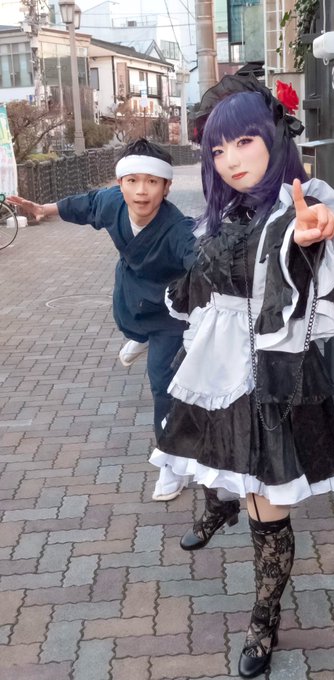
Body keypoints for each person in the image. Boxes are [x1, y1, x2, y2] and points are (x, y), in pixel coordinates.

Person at [149, 72, 334, 678]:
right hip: (215, 363)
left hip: (271, 376)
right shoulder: (225, 212)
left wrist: (317, 229)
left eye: (244, 141)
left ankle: (263, 620)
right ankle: (218, 504)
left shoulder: (296, 205)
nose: (230, 160)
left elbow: (315, 229)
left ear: (275, 138)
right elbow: (201, 284)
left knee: (268, 506)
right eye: (218, 149)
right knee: (209, 451)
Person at [9, 139, 195, 502]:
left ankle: (172, 461)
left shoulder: (178, 229)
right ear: (120, 183)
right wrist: (43, 209)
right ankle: (139, 336)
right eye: (132, 180)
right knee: (126, 322)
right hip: (131, 293)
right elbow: (84, 205)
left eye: (152, 181)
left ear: (167, 187)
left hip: (170, 312)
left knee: (163, 384)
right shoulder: (111, 202)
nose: (141, 191)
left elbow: (200, 257)